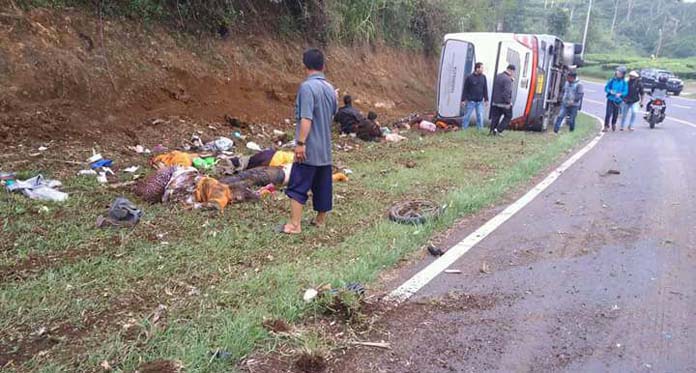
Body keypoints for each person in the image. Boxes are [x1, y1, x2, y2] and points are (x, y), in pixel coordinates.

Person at [281, 48, 338, 235]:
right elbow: (332, 113)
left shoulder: (307, 88)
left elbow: (306, 118)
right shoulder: (330, 89)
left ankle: (295, 225)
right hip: (325, 149)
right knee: (322, 184)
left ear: (305, 66)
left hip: (309, 148)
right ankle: (320, 220)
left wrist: (300, 143)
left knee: (298, 184)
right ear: (323, 66)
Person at [460, 62, 489, 129]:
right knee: (467, 116)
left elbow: (485, 89)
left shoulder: (483, 77)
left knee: (480, 116)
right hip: (471, 101)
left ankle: (480, 130)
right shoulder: (469, 77)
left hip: (480, 101)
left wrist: (486, 99)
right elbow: (465, 89)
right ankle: (464, 128)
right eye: (481, 68)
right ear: (477, 68)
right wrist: (463, 100)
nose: (482, 69)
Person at [490, 64, 516, 136]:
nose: (513, 74)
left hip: (496, 101)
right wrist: (508, 102)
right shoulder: (508, 79)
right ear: (511, 70)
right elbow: (507, 91)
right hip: (504, 103)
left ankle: (492, 131)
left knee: (495, 117)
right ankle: (498, 130)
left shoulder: (498, 76)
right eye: (513, 72)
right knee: (508, 116)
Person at [604, 66, 628, 132]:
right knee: (608, 113)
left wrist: (620, 94)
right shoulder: (612, 80)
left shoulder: (624, 82)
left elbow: (625, 91)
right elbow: (606, 88)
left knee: (615, 113)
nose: (618, 73)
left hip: (618, 100)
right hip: (611, 99)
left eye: (620, 73)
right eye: (617, 72)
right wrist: (610, 91)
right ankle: (606, 126)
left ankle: (613, 123)